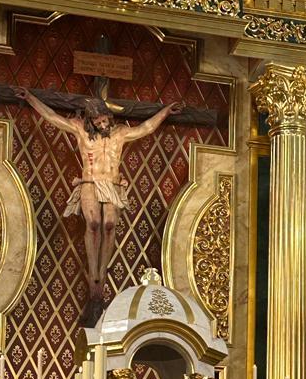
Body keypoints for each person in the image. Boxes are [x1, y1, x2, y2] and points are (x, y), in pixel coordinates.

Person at [14, 88, 185, 299]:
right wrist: (30, 98)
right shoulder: (80, 130)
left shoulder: (120, 133)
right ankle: (93, 272)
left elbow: (146, 128)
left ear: (109, 117)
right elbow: (52, 117)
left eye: (104, 121)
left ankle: (101, 272)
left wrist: (166, 111)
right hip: (89, 182)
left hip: (112, 184)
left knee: (109, 225)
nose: (102, 126)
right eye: (97, 123)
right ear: (90, 121)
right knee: (94, 224)